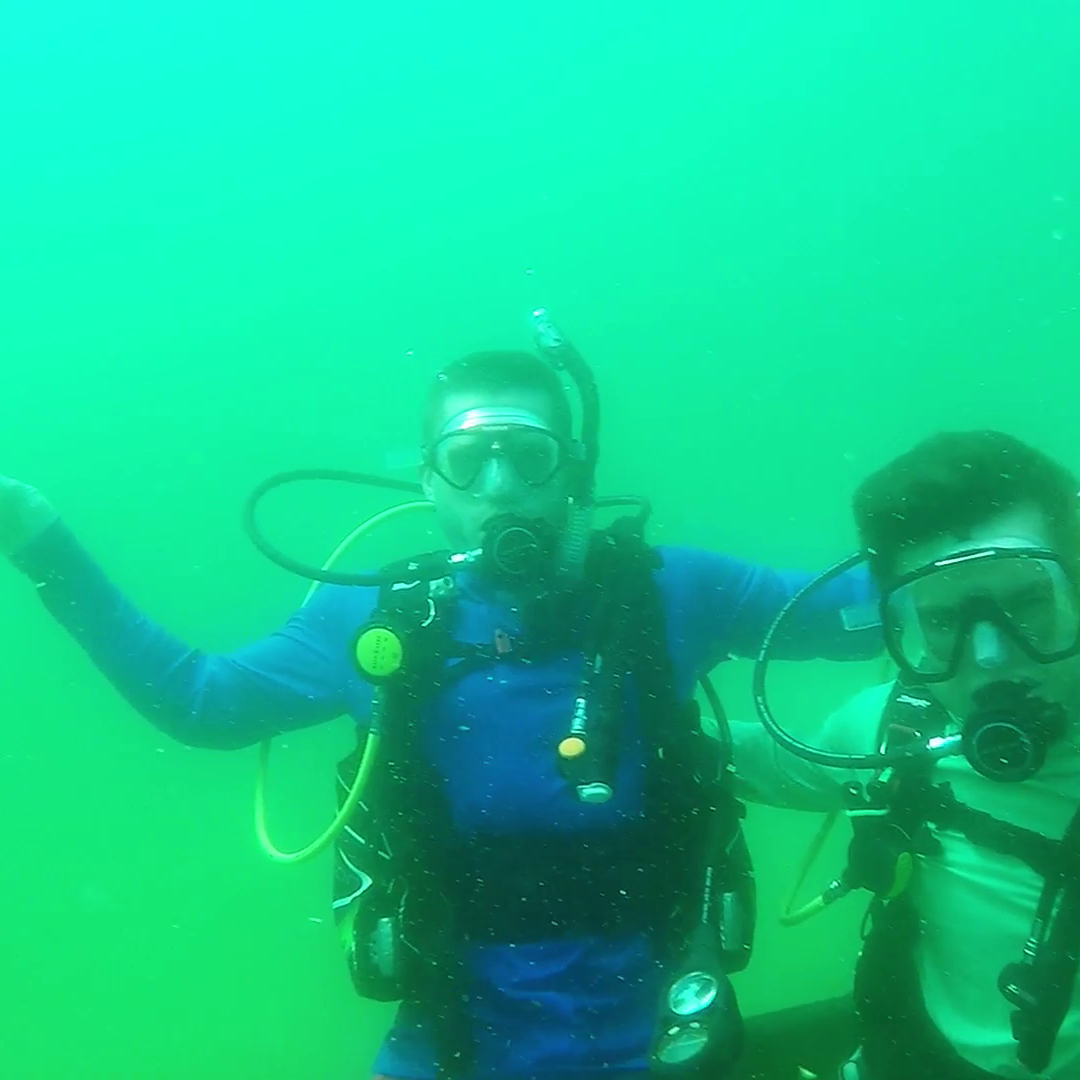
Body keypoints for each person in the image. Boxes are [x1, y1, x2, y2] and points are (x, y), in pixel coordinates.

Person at [1, 325, 880, 1080]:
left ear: (573, 472)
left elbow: (867, 617)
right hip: (451, 1047)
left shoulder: (671, 591)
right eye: (468, 461)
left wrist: (981, 559)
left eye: (528, 456)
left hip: (668, 1042)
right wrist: (47, 544)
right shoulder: (374, 619)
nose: (500, 486)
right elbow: (204, 703)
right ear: (429, 483)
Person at [734, 429, 1080, 1080]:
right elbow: (771, 764)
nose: (990, 658)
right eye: (946, 621)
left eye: (1029, 600)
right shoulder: (892, 728)